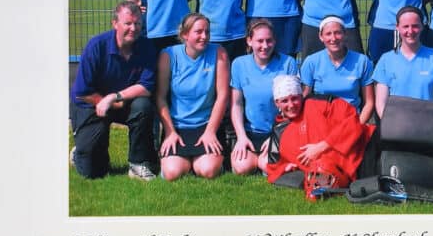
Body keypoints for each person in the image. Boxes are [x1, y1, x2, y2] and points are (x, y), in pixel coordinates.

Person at [69, 1, 158, 180]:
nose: (133, 28)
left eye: (138, 23)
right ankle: (81, 152)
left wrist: (114, 98)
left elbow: (147, 87)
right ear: (114, 23)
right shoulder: (96, 46)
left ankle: (137, 164)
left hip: (120, 102)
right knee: (93, 172)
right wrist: (105, 102)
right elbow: (82, 92)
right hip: (91, 105)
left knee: (143, 105)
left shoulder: (147, 47)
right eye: (128, 23)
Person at [263, 75, 376, 199]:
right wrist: (286, 166)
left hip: (365, 152)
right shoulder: (279, 131)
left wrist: (322, 146)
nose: (291, 105)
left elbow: (353, 123)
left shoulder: (320, 103)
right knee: (317, 182)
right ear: (276, 103)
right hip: (328, 170)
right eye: (285, 101)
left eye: (294, 98)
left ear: (301, 96)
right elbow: (273, 167)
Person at [154, 13, 230, 180]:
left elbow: (223, 96)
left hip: (206, 125)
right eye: (199, 32)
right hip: (177, 127)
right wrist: (169, 132)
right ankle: (183, 161)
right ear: (185, 35)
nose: (204, 37)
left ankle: (202, 160)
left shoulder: (219, 53)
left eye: (207, 32)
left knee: (208, 170)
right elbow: (160, 97)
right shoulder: (168, 55)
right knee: (172, 173)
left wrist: (211, 132)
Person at [229, 19, 299, 175]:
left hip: (279, 131)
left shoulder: (288, 63)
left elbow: (293, 107)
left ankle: (266, 159)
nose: (265, 46)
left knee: (266, 166)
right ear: (249, 41)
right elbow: (237, 104)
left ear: (275, 41)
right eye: (260, 41)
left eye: (269, 40)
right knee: (242, 168)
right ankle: (254, 157)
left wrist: (276, 136)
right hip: (251, 132)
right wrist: (241, 137)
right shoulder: (239, 64)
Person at [372, 6, 433, 118]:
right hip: (396, 126)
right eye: (405, 26)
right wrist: (391, 126)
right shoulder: (385, 60)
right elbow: (380, 103)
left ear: (422, 26)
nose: (410, 31)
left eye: (415, 26)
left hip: (429, 125)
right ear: (397, 27)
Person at [299, 16, 376, 124]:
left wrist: (357, 127)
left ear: (345, 34)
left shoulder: (362, 61)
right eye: (328, 34)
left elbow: (369, 103)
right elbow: (303, 99)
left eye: (337, 33)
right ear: (321, 37)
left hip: (351, 122)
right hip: (321, 123)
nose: (333, 38)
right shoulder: (311, 62)